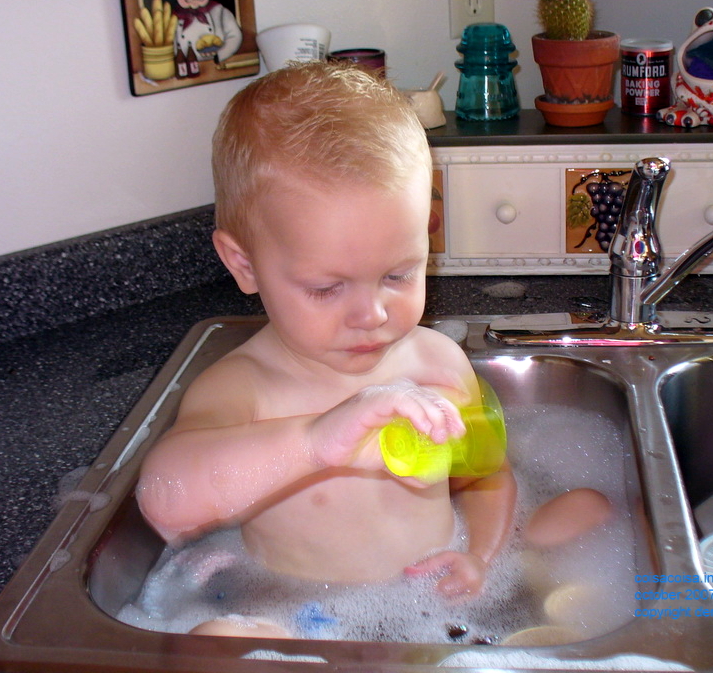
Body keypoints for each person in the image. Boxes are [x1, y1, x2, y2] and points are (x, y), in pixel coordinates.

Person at [136, 61, 516, 600]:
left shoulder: (438, 365)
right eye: (325, 288)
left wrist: (478, 554)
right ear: (243, 265)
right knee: (218, 642)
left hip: (429, 613)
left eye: (398, 274)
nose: (372, 315)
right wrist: (315, 444)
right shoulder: (244, 388)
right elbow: (164, 500)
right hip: (291, 621)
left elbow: (486, 477)